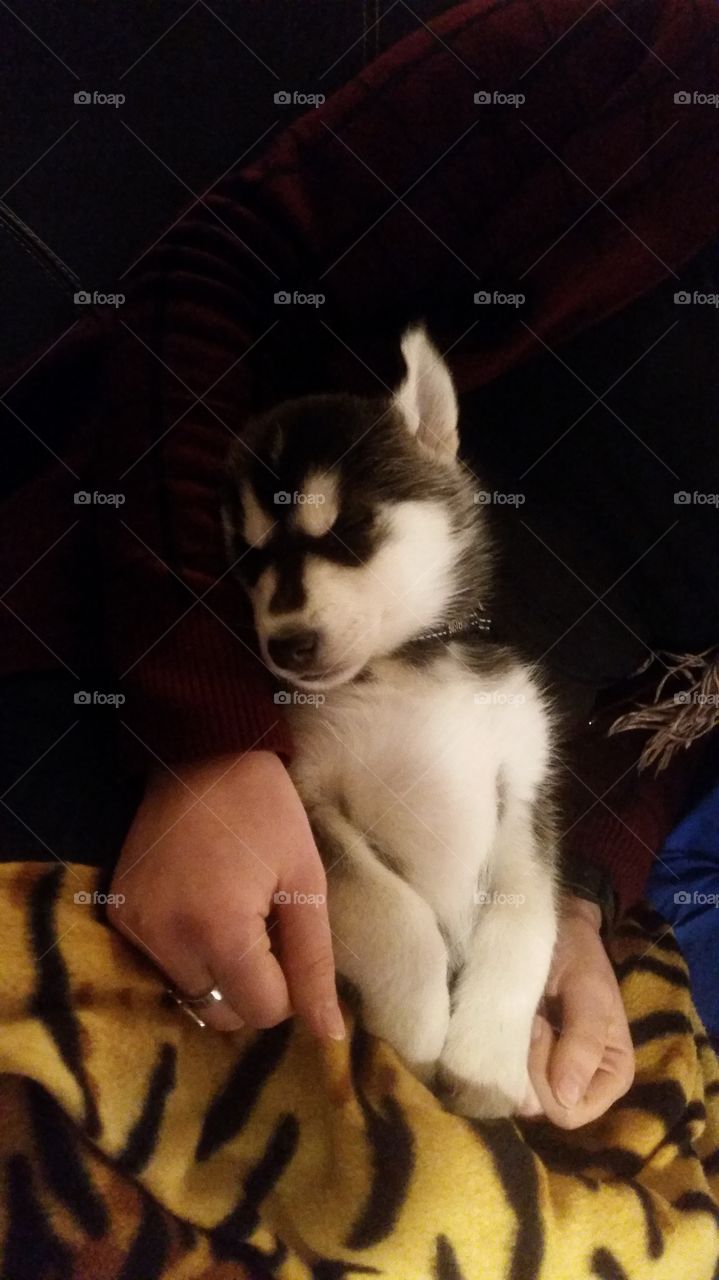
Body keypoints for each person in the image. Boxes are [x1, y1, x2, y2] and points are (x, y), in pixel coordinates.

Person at [2, 0, 718, 1143]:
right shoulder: (644, 52)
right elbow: (212, 271)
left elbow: (684, 703)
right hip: (150, 654)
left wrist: (569, 897)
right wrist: (208, 737)